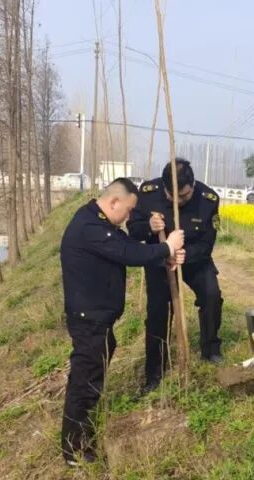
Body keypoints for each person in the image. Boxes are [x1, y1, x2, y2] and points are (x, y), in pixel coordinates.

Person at [59, 178, 185, 465]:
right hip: (89, 320)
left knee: (90, 379)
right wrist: (167, 247)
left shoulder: (100, 222)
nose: (129, 217)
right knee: (84, 383)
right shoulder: (90, 226)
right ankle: (75, 450)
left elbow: (125, 245)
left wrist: (163, 258)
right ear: (114, 201)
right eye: (128, 210)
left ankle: (82, 439)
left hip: (96, 319)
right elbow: (127, 253)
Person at [127, 158, 223, 393]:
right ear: (164, 187)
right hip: (159, 258)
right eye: (173, 196)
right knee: (158, 311)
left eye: (184, 196)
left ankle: (210, 349)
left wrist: (185, 255)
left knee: (212, 296)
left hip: (194, 259)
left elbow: (207, 243)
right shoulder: (148, 193)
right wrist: (149, 227)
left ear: (193, 184)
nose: (179, 201)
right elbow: (134, 230)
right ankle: (155, 371)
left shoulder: (208, 199)